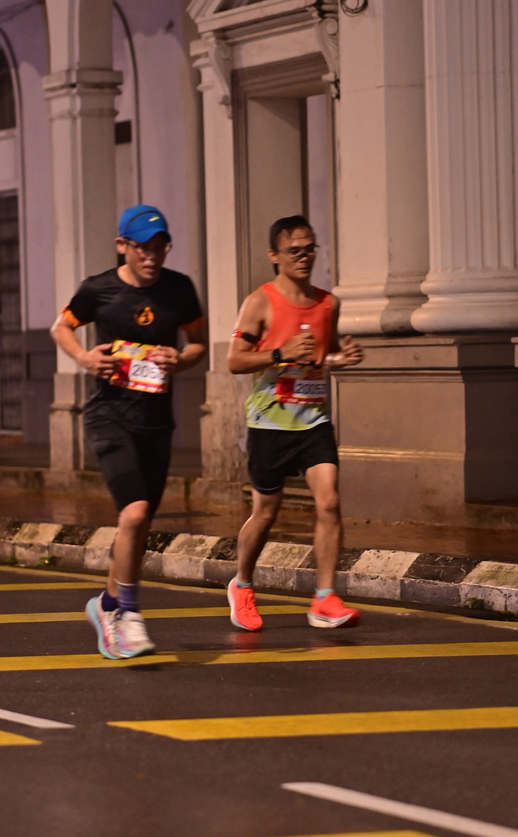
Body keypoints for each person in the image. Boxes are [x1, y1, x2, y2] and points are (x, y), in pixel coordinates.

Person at [51, 205, 206, 659]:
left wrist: (182, 359)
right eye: (142, 248)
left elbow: (197, 341)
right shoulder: (98, 289)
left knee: (136, 526)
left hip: (155, 423)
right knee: (134, 514)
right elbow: (61, 327)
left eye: (160, 247)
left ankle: (107, 605)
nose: (151, 256)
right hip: (109, 417)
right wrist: (84, 358)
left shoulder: (179, 289)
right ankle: (129, 616)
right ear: (122, 245)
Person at [227, 214, 364, 632]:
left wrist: (342, 357)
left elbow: (325, 353)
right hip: (269, 422)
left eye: (309, 249)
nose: (304, 257)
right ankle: (242, 584)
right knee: (266, 513)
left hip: (313, 421)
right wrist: (280, 353)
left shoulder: (328, 303)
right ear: (275, 255)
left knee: (330, 501)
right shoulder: (260, 302)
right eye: (294, 251)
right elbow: (234, 361)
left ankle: (324, 597)